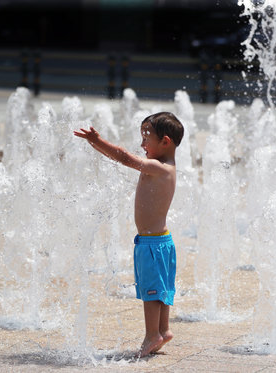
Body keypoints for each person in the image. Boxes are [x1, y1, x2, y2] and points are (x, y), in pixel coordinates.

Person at [74, 112, 184, 358]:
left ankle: (151, 335)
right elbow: (122, 159)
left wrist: (98, 142)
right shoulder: (166, 167)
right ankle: (164, 330)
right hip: (162, 241)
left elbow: (124, 158)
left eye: (146, 139)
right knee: (162, 288)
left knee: (151, 292)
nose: (142, 145)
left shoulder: (158, 167)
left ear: (165, 142)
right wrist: (98, 147)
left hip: (152, 244)